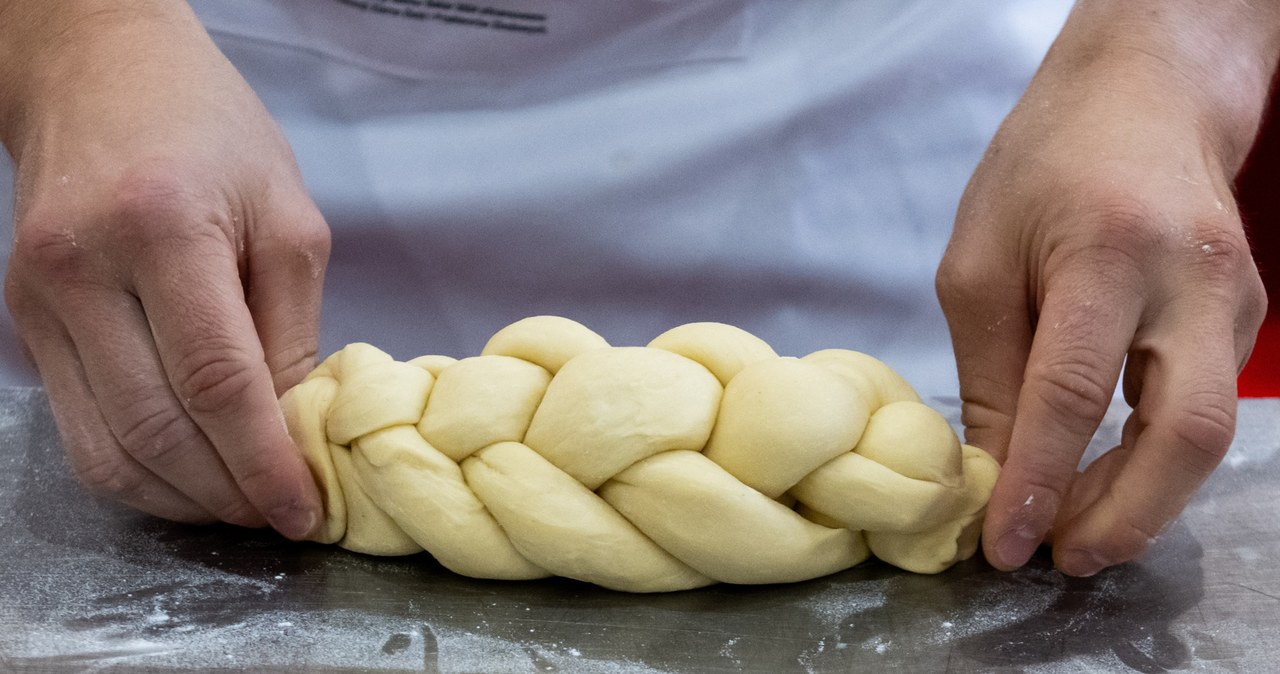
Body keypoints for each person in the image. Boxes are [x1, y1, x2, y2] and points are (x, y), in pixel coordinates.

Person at [0, 0, 1270, 578]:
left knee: (966, 448)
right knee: (178, 409)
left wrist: (1163, 50)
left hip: (879, 170)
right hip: (197, 160)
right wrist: (70, 35)